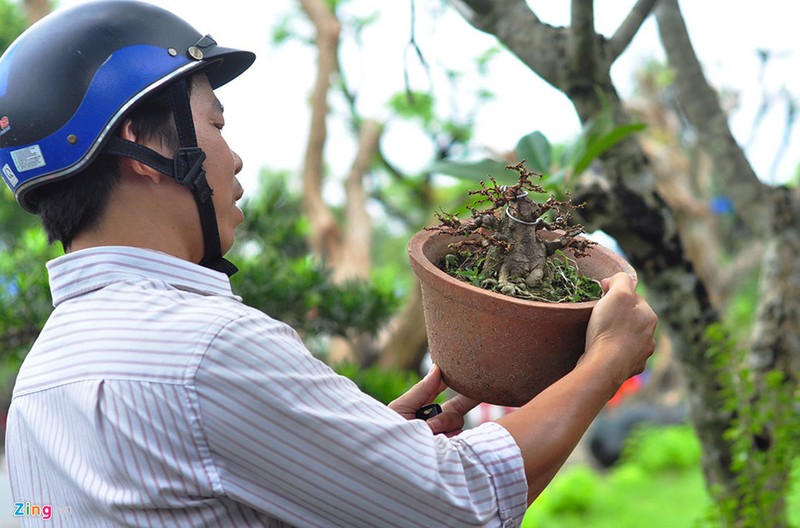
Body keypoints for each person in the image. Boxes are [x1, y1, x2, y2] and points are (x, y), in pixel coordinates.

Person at [0, 1, 657, 526]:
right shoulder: (206, 351)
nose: (235, 158)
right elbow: (464, 503)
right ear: (142, 145)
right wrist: (603, 364)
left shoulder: (41, 381)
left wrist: (357, 453)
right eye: (216, 124)